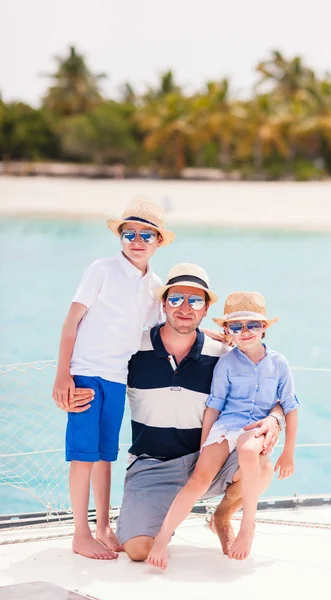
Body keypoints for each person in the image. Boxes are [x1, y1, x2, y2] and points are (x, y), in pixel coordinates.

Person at [113, 265, 285, 562]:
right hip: (151, 467)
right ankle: (158, 512)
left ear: (205, 309)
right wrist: (71, 384)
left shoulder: (223, 355)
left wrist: (275, 418)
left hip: (204, 463)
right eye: (177, 298)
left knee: (261, 464)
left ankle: (222, 515)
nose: (184, 307)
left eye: (195, 301)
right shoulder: (133, 349)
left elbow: (273, 390)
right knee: (138, 551)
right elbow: (98, 375)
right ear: (163, 303)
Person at [52, 197, 174, 560]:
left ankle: (103, 526)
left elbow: (159, 330)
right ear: (120, 238)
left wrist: (210, 336)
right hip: (86, 373)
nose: (137, 241)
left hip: (117, 379)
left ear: (158, 241)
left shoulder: (155, 285)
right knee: (83, 457)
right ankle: (80, 533)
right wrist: (63, 375)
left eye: (145, 235)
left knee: (106, 455)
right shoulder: (101, 269)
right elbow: (71, 321)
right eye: (129, 234)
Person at [147, 291, 299, 569]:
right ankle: (162, 537)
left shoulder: (279, 363)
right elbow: (215, 406)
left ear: (264, 328)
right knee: (198, 481)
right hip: (226, 426)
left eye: (252, 325)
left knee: (250, 448)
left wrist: (289, 452)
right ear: (227, 330)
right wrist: (205, 445)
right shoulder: (227, 362)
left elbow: (290, 405)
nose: (245, 332)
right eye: (236, 326)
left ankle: (248, 526)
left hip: (253, 429)